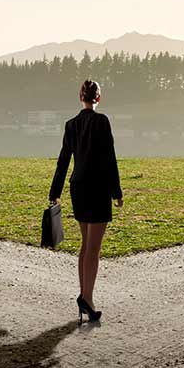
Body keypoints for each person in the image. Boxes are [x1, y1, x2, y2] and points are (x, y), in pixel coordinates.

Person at [49, 80, 122, 323]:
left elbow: (63, 161)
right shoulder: (102, 122)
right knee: (93, 249)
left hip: (77, 187)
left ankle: (84, 296)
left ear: (80, 97)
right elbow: (109, 158)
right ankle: (87, 300)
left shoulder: (71, 125)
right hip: (98, 187)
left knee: (85, 246)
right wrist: (117, 192)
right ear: (98, 98)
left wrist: (54, 192)